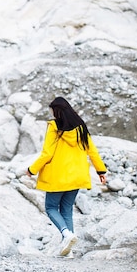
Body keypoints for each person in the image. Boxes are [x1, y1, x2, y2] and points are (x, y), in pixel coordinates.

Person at [26, 96, 107, 256]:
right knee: (66, 209)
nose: (53, 115)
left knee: (50, 208)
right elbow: (92, 151)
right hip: (77, 176)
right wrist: (101, 171)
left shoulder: (54, 127)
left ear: (57, 111)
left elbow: (47, 153)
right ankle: (68, 250)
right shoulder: (81, 127)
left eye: (53, 111)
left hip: (58, 176)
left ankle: (66, 234)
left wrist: (32, 169)